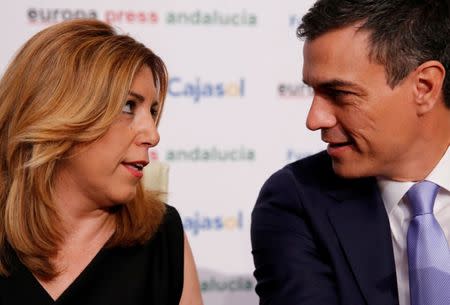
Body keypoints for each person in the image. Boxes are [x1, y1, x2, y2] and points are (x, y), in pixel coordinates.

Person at [251, 0, 450, 304]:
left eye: (340, 94)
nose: (314, 119)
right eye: (313, 91)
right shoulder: (296, 200)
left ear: (424, 87)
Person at [0, 19, 203, 305]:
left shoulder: (163, 237)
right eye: (128, 106)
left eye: (153, 110)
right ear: (57, 111)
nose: (153, 134)